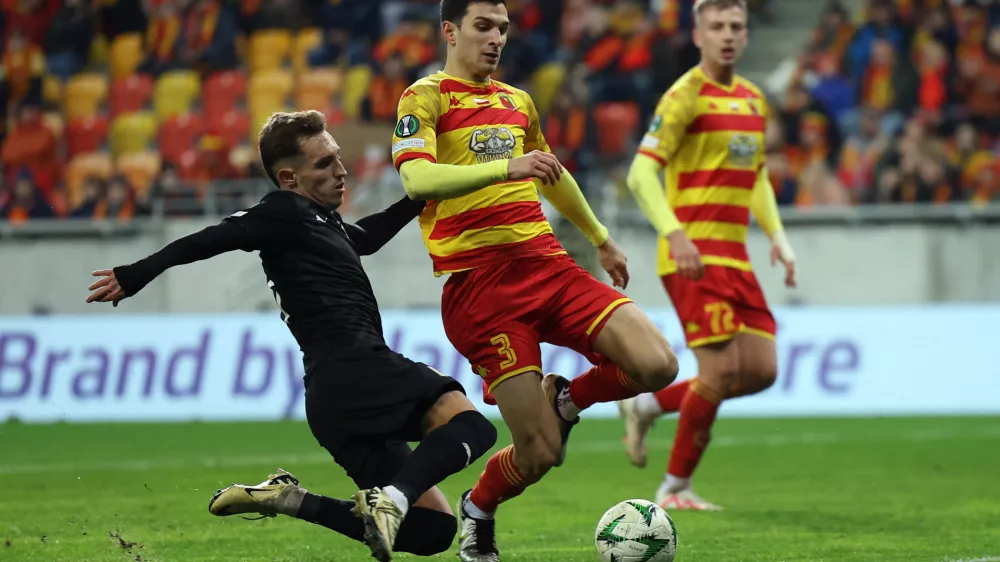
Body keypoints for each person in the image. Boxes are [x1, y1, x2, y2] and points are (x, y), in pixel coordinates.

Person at [84, 110, 498, 562]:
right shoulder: (281, 212)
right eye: (324, 164)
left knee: (431, 530)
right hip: (359, 369)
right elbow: (212, 237)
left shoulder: (321, 221)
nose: (341, 171)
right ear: (289, 177)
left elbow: (368, 236)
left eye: (338, 158)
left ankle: (290, 500)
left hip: (331, 399)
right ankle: (392, 500)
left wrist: (423, 194)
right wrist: (137, 273)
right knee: (473, 426)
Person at [390, 1, 680, 559]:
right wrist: (506, 167)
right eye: (483, 26)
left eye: (502, 28)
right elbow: (417, 178)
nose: (496, 37)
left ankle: (569, 397)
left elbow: (551, 171)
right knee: (541, 452)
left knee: (657, 363)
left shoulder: (516, 101)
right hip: (481, 290)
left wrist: (599, 236)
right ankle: (480, 506)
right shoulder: (424, 96)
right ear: (450, 31)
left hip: (548, 265)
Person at [618, 0, 797, 511]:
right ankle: (674, 489)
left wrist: (778, 238)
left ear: (746, 35)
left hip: (735, 255)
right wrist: (674, 233)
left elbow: (756, 175)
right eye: (716, 26)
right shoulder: (684, 96)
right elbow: (640, 172)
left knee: (761, 370)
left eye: (736, 26)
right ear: (698, 34)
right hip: (691, 255)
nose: (727, 35)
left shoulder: (753, 100)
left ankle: (648, 403)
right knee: (718, 374)